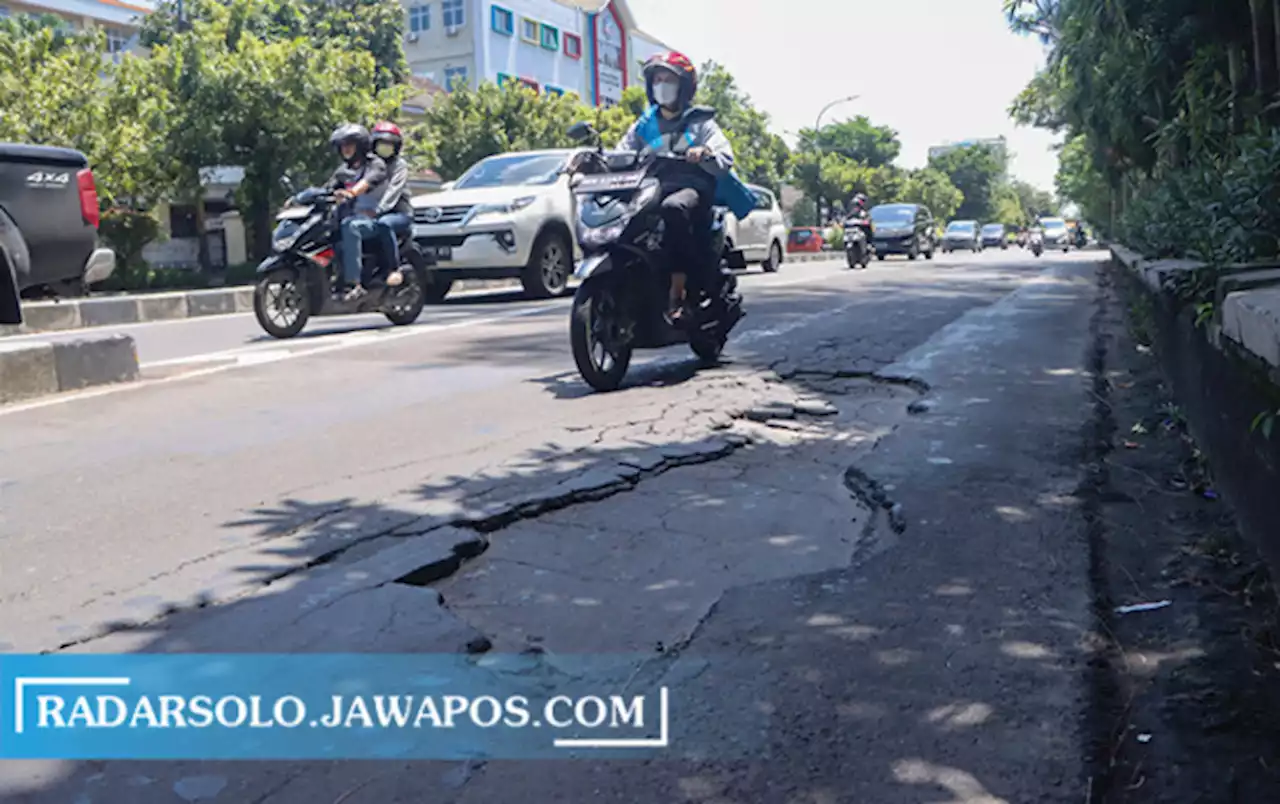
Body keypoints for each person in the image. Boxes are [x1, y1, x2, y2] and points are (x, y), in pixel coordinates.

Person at [616, 51, 735, 323]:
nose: (661, 85)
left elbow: (724, 156)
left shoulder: (700, 121)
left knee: (673, 208)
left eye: (668, 79)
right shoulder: (644, 125)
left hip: (690, 188)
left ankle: (677, 295)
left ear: (683, 86)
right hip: (651, 188)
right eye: (656, 79)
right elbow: (620, 152)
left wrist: (704, 152)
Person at [325, 123, 388, 301]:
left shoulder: (375, 164)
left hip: (374, 219)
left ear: (360, 145)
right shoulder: (343, 170)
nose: (345, 149)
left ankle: (354, 284)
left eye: (349, 144)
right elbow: (327, 189)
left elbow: (368, 181)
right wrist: (298, 199)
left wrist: (351, 192)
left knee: (349, 226)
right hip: (352, 219)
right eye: (342, 145)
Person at [368, 121, 413, 287]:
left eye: (389, 144)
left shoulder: (399, 166)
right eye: (381, 143)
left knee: (384, 224)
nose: (385, 147)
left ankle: (393, 269)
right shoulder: (368, 165)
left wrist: (378, 210)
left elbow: (393, 190)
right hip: (369, 211)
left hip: (399, 214)